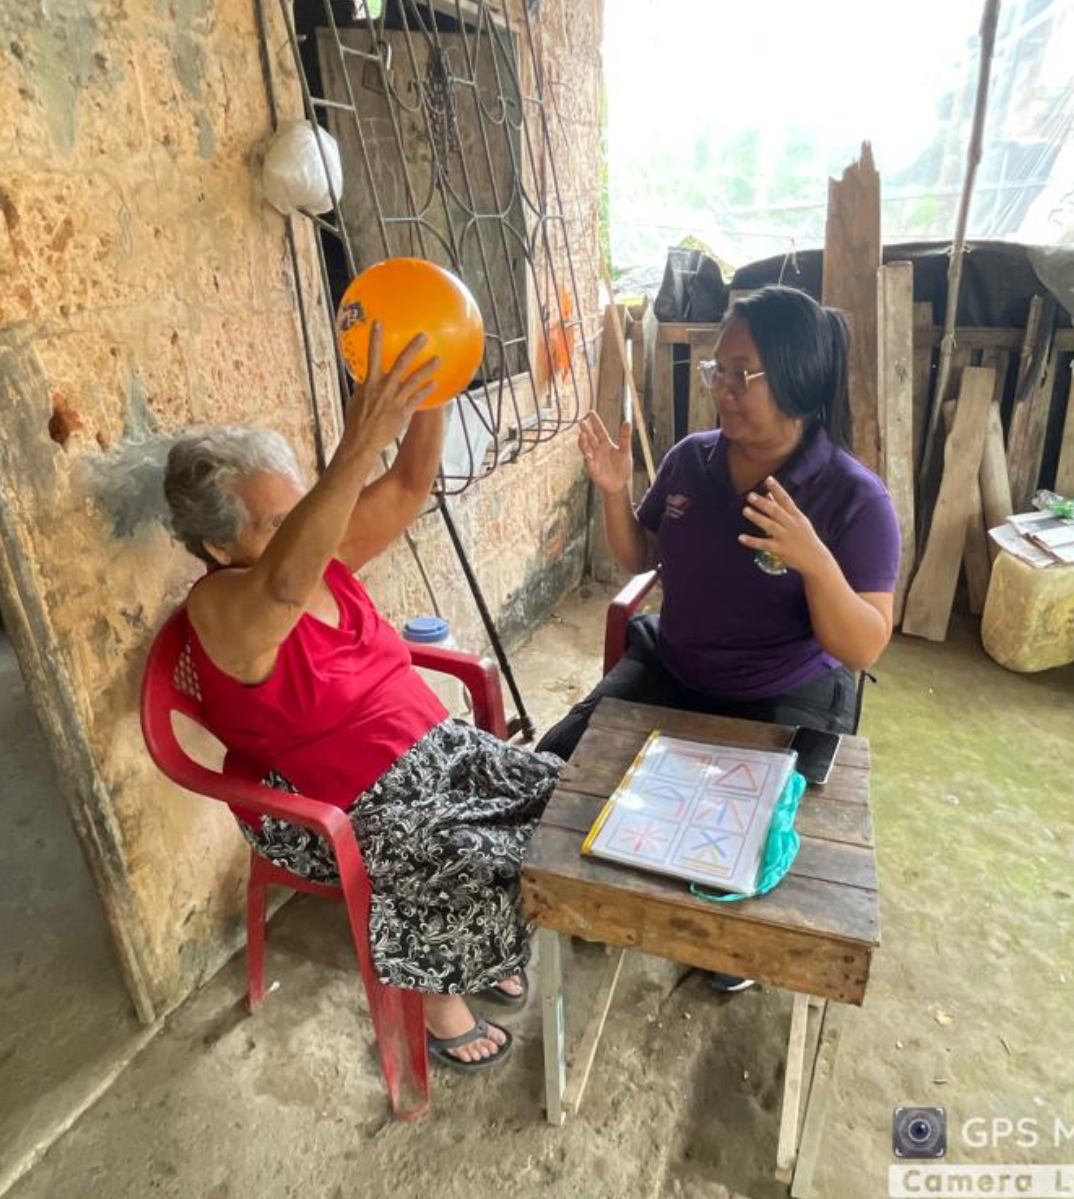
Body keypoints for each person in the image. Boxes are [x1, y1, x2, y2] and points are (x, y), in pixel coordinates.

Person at [162, 329, 560, 1074]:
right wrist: (359, 443)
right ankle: (436, 998)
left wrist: (434, 387)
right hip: (339, 801)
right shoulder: (221, 606)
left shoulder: (321, 559)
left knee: (551, 796)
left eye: (300, 508)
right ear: (218, 547)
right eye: (276, 523)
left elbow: (408, 485)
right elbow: (283, 584)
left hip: (433, 749)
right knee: (458, 849)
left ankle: (483, 948)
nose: (304, 529)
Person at [539, 279, 900, 778]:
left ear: (798, 380)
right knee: (554, 769)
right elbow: (641, 555)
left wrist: (816, 564)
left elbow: (863, 648)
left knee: (760, 818)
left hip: (784, 689)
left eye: (742, 374)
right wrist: (615, 493)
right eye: (718, 370)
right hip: (673, 667)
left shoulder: (855, 498)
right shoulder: (691, 459)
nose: (721, 389)